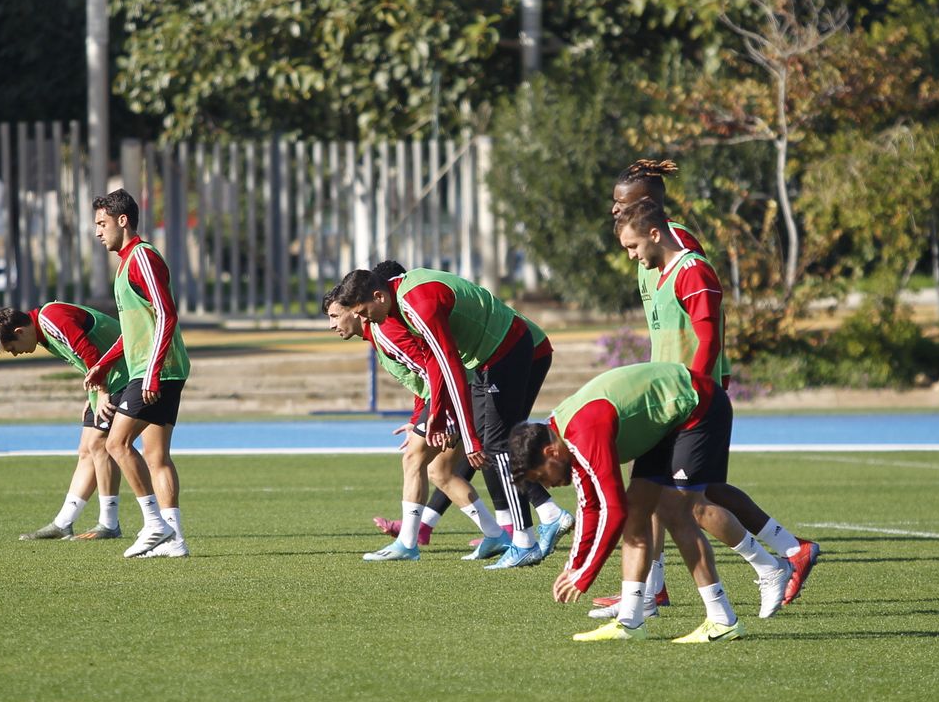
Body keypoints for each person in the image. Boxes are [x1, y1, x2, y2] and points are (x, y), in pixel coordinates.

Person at [608, 159, 817, 606]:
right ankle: (786, 551)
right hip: (665, 389)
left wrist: (707, 384)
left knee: (688, 500)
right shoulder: (641, 247)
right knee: (674, 493)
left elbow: (707, 314)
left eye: (621, 203)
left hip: (690, 393)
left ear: (647, 211)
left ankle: (774, 560)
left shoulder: (677, 245)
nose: (614, 209)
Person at [509, 362, 762, 643]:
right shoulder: (565, 438)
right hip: (666, 423)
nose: (548, 485)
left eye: (541, 476)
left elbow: (612, 509)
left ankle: (722, 619)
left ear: (550, 452)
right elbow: (590, 507)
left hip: (697, 405)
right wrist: (574, 566)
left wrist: (586, 575)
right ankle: (630, 621)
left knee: (675, 511)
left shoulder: (583, 432)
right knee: (637, 514)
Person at [333, 266, 547, 568]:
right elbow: (432, 366)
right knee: (444, 469)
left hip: (501, 351)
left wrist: (454, 425)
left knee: (491, 448)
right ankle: (504, 531)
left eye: (362, 312)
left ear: (379, 296)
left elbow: (447, 366)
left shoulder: (408, 310)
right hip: (486, 361)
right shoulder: (395, 312)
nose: (364, 319)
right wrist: (428, 415)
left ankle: (534, 529)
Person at [323, 288, 498, 560]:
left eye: (335, 315)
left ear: (355, 309)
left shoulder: (388, 331)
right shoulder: (379, 333)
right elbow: (421, 379)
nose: (332, 324)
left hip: (455, 395)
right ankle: (497, 535)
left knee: (413, 459)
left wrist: (439, 417)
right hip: (456, 395)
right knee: (441, 472)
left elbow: (437, 371)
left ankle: (407, 544)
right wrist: (417, 419)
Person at [84, 189, 190, 560]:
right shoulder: (126, 262)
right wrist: (105, 362)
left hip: (155, 370)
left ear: (122, 220)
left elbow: (165, 314)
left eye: (101, 223)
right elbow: (134, 330)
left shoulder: (142, 257)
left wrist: (152, 374)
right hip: (155, 368)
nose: (97, 231)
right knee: (156, 456)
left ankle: (154, 524)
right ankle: (175, 540)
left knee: (115, 443)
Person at [0, 303, 127, 541]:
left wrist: (101, 392)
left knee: (98, 444)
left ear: (20, 332)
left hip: (124, 373)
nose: (15, 353)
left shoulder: (51, 318)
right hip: (107, 378)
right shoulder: (42, 334)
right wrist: (92, 394)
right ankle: (63, 523)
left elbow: (88, 351)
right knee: (86, 450)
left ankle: (109, 523)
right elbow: (85, 359)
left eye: (12, 348)